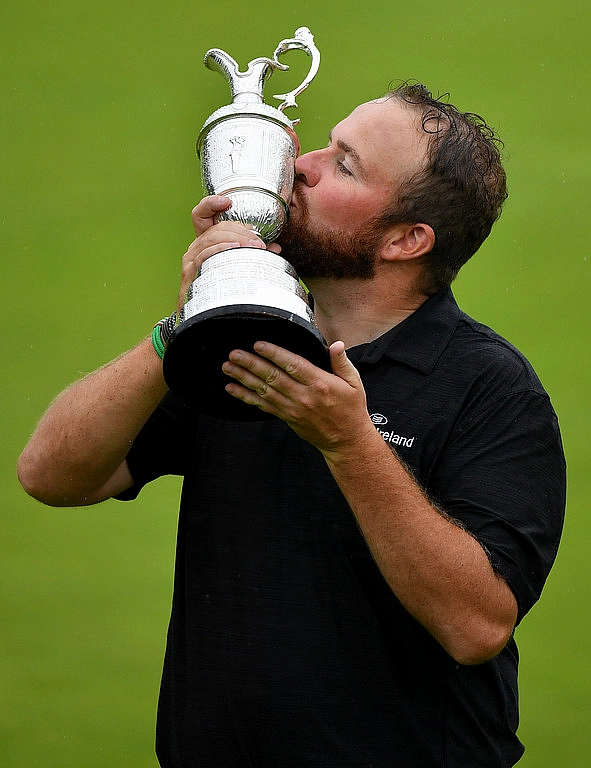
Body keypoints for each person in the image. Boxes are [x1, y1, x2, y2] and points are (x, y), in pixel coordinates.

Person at [18, 83, 566, 767]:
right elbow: (52, 476)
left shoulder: (489, 387)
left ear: (405, 239)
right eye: (324, 144)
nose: (299, 164)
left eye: (343, 164)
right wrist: (184, 321)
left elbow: (475, 625)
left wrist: (349, 441)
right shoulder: (237, 338)